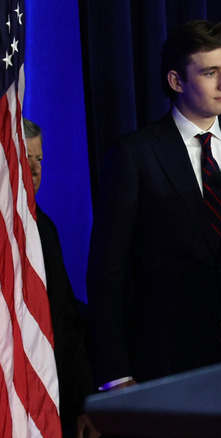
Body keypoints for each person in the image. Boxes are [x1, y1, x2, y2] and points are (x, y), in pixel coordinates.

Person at [87, 20, 221, 391]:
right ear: (176, 81)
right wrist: (116, 372)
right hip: (165, 361)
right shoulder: (136, 155)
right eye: (210, 73)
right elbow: (108, 273)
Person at [24, 119, 100, 438]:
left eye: (39, 158)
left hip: (50, 403)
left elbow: (65, 321)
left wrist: (84, 402)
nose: (34, 168)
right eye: (24, 157)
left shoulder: (43, 227)